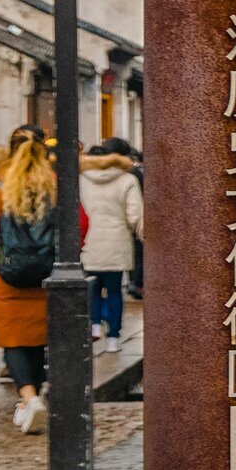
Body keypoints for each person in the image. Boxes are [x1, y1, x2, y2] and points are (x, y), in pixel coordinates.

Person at [0, 126, 74, 435]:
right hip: (47, 275)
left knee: (14, 341)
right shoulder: (56, 189)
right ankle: (32, 397)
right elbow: (79, 227)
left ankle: (29, 398)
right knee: (38, 339)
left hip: (7, 279)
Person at [79, 142, 142, 353]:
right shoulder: (127, 179)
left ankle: (95, 326)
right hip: (116, 241)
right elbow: (134, 216)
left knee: (93, 288)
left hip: (89, 242)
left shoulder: (81, 179)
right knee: (114, 291)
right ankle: (113, 338)